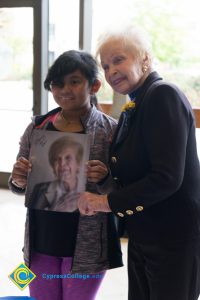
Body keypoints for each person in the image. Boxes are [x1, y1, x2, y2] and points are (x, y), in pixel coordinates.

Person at [78, 25, 200, 300]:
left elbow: (166, 177)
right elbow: (139, 167)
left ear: (144, 58)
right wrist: (106, 176)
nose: (110, 72)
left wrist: (103, 203)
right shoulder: (137, 103)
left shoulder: (163, 95)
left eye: (118, 60)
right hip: (145, 233)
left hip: (172, 238)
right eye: (106, 66)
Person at [8, 50, 123, 300]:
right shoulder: (37, 127)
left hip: (87, 245)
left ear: (94, 85)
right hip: (41, 242)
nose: (64, 90)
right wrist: (18, 179)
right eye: (57, 84)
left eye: (74, 81)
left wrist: (104, 180)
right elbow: (19, 185)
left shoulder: (110, 131)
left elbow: (122, 194)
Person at [29, 136, 84, 211]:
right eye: (57, 159)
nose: (62, 164)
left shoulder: (88, 191)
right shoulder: (39, 189)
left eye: (68, 158)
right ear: (52, 165)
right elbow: (34, 218)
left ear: (78, 164)